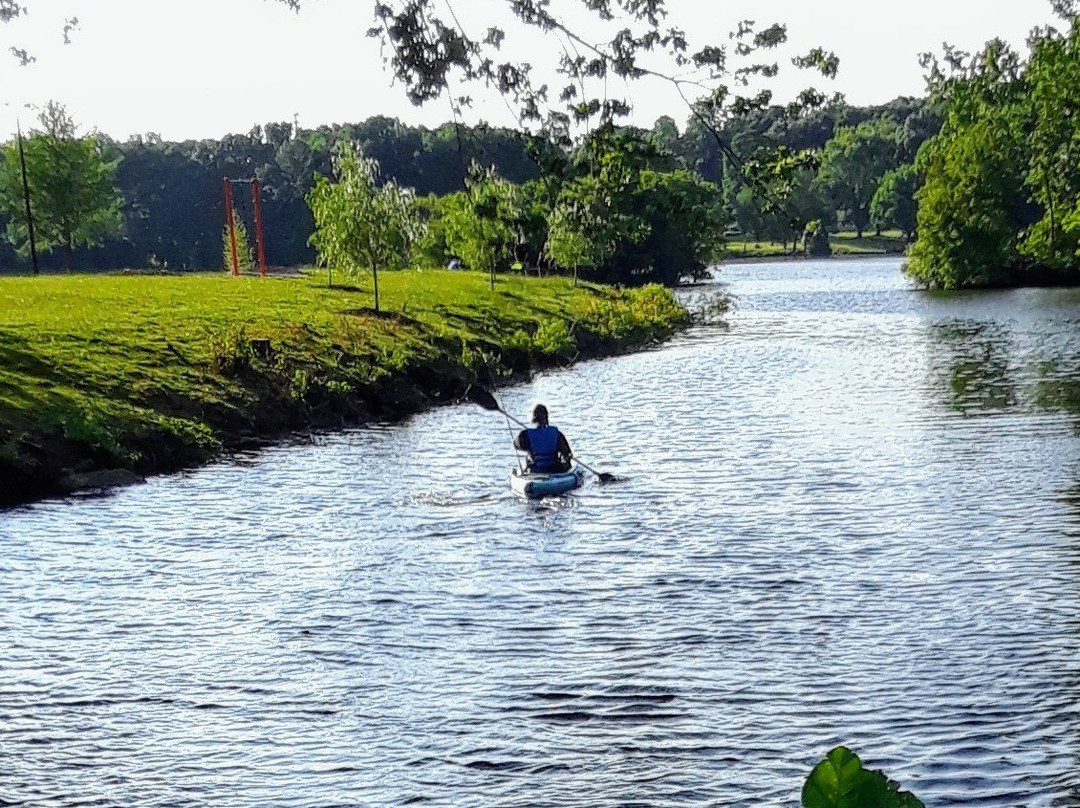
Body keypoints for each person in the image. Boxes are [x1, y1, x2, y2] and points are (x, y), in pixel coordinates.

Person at [514, 404, 573, 473]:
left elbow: (516, 445)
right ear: (547, 417)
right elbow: (567, 452)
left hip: (535, 470)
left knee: (528, 458)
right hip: (554, 469)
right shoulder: (556, 433)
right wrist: (567, 458)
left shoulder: (526, 435)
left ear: (534, 418)